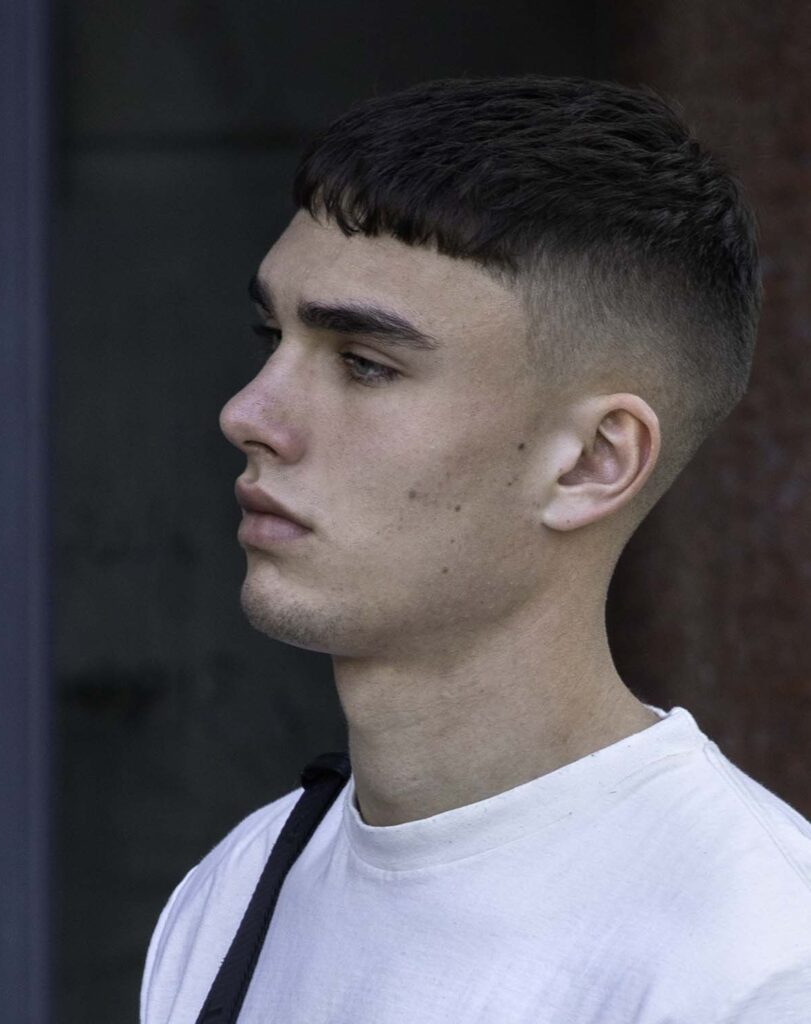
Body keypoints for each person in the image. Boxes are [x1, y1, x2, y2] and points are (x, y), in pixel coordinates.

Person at [140, 75, 811, 1023]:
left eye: (364, 365)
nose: (247, 413)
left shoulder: (756, 960)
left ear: (589, 462)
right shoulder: (239, 887)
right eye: (270, 336)